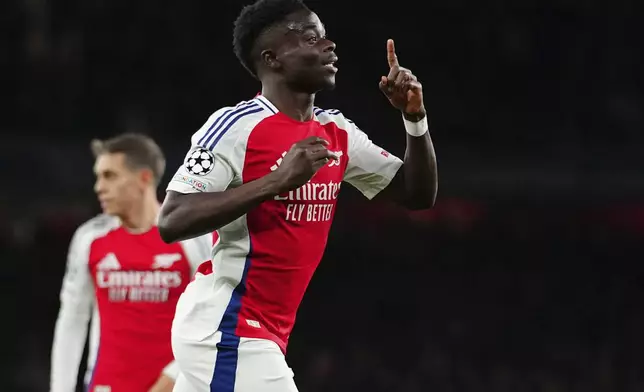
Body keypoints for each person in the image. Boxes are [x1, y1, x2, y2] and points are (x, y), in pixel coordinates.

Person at [158, 0, 438, 390]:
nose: (329, 46)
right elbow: (172, 219)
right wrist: (275, 182)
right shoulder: (236, 127)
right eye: (311, 37)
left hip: (266, 331)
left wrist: (414, 117)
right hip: (227, 326)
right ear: (272, 59)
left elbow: (416, 193)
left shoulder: (336, 132)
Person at [50, 134, 214, 392]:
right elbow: (72, 318)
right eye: (98, 176)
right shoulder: (89, 238)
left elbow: (215, 317)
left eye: (110, 176)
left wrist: (173, 377)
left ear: (144, 179)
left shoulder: (191, 237)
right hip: (107, 385)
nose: (98, 187)